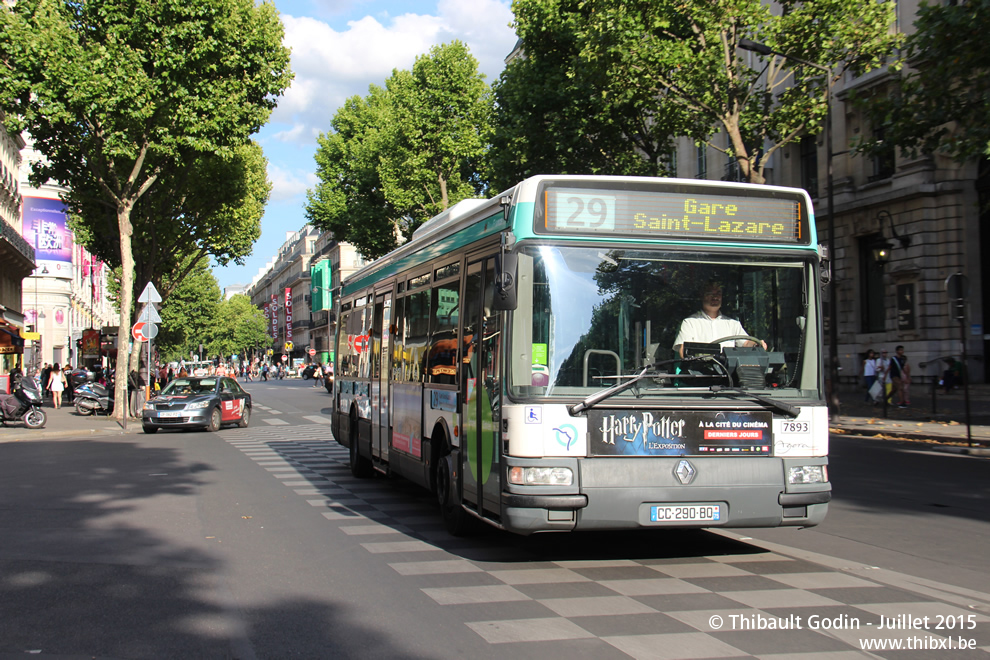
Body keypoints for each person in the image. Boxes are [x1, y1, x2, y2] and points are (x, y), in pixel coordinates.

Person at [673, 280, 766, 357]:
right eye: (710, 293)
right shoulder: (690, 323)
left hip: (728, 374)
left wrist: (756, 344)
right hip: (701, 374)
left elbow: (745, 344)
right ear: (702, 296)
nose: (715, 297)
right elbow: (683, 351)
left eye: (718, 293)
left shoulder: (732, 323)